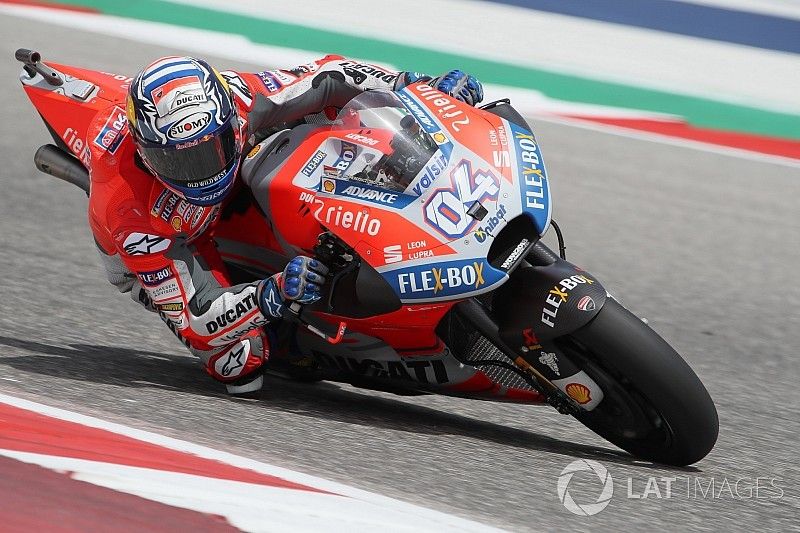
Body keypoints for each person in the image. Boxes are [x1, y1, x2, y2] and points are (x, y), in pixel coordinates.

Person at [87, 54, 484, 396]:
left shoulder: (239, 98)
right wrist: (272, 293)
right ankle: (295, 339)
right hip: (175, 243)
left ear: (228, 119)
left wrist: (415, 87)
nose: (201, 173)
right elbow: (198, 319)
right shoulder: (129, 214)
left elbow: (329, 76)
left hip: (236, 178)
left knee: (333, 117)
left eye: (211, 149)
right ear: (147, 154)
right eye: (180, 161)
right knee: (240, 363)